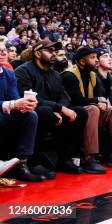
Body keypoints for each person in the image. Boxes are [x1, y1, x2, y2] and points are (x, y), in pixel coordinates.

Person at [14, 39, 86, 176]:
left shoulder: (55, 74)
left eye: (55, 51)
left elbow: (64, 97)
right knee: (44, 112)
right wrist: (58, 108)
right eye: (50, 51)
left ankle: (64, 160)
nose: (54, 54)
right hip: (29, 111)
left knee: (80, 112)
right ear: (37, 53)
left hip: (52, 111)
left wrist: (61, 109)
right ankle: (34, 162)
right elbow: (28, 99)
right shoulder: (23, 71)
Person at [61, 46, 112, 171]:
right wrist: (97, 102)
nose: (96, 60)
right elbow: (76, 100)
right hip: (74, 113)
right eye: (92, 57)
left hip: (90, 111)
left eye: (96, 57)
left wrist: (102, 103)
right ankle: (88, 157)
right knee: (93, 109)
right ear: (82, 61)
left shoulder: (92, 75)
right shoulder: (69, 75)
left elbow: (100, 97)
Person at [0, 44, 41, 181]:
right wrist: (12, 104)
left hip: (3, 114)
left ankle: (21, 164)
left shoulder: (9, 73)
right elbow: (11, 103)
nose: (3, 51)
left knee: (30, 115)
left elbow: (14, 98)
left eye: (4, 49)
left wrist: (25, 104)